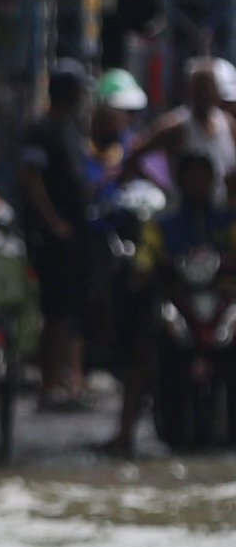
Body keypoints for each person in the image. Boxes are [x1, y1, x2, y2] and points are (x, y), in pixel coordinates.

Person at [102, 150, 236, 455]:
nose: (198, 183)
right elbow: (145, 258)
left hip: (222, 301)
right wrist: (144, 269)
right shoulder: (163, 223)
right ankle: (125, 431)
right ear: (179, 181)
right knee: (145, 348)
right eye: (191, 176)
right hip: (178, 301)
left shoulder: (227, 218)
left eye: (203, 176)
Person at [20, 64, 96, 408]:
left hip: (76, 233)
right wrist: (53, 222)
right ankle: (49, 381)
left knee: (72, 308)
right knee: (55, 310)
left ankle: (70, 378)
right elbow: (31, 177)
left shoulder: (69, 129)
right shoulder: (41, 130)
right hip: (53, 238)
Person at [121, 56, 235, 207]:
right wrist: (161, 189)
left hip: (219, 217)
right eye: (200, 89)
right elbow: (134, 156)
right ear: (190, 91)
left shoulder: (228, 124)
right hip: (184, 214)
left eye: (209, 88)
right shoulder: (176, 126)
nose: (205, 95)